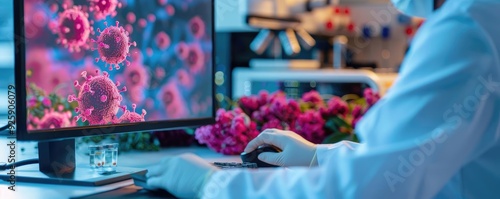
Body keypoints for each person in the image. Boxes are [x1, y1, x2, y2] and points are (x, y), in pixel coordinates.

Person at [146, 0, 500, 198]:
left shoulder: (467, 29)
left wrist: (212, 185)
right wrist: (319, 155)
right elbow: (420, 160)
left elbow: (367, 189)